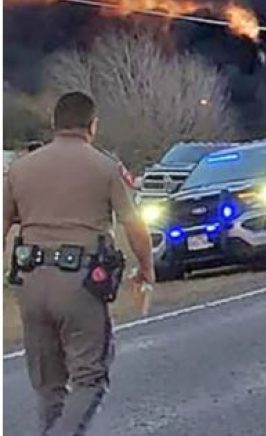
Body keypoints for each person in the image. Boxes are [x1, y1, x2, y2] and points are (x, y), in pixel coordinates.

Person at [3, 92, 155, 435]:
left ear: (54, 124)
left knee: (48, 387)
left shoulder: (20, 169)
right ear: (92, 125)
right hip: (80, 284)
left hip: (29, 283)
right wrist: (146, 270)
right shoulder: (105, 167)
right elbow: (135, 225)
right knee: (90, 379)